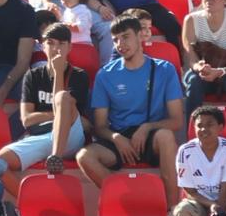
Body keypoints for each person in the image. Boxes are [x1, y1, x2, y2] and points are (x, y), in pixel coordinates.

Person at [77, 11, 184, 202]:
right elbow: (100, 126)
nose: (120, 44)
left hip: (151, 137)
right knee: (84, 156)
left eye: (125, 37)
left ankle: (172, 208)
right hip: (120, 139)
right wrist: (116, 138)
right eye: (115, 40)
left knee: (166, 137)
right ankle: (128, 200)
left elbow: (177, 121)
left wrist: (147, 127)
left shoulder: (164, 69)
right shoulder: (105, 75)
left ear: (140, 36)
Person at [0, 20, 89, 179]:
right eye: (50, 43)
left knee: (62, 97)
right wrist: (61, 115)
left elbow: (66, 109)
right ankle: (22, 195)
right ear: (42, 46)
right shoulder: (33, 75)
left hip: (71, 136)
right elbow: (27, 120)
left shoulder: (79, 75)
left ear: (69, 47)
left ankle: (56, 158)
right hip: (43, 136)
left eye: (61, 43)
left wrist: (58, 72)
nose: (56, 48)